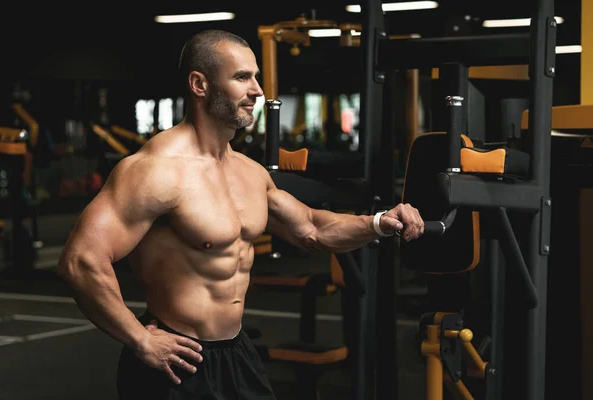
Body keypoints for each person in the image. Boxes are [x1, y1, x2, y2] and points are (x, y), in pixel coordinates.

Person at [57, 29, 425, 400]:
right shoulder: (156, 171)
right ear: (199, 84)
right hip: (176, 360)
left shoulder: (249, 172)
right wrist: (139, 340)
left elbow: (311, 228)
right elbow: (81, 260)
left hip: (236, 353)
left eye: (256, 77)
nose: (258, 91)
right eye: (241, 77)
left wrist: (380, 222)